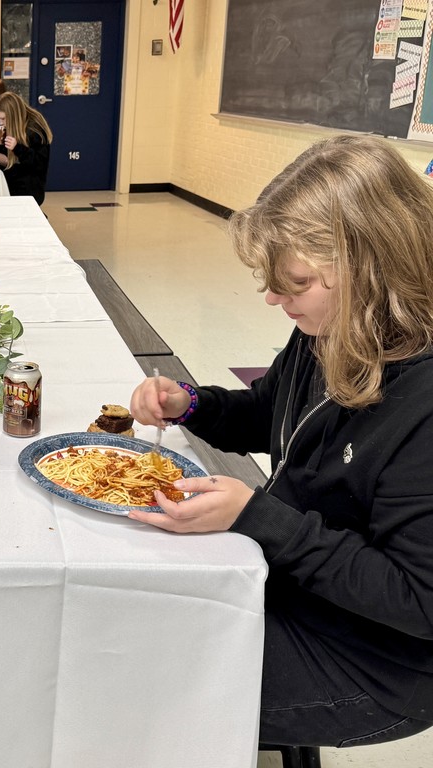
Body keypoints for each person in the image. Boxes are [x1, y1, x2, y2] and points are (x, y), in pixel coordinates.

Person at [128, 135, 433, 748]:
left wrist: (260, 519)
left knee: (138, 681)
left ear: (369, 269)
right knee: (127, 611)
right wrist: (192, 403)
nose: (272, 299)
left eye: (292, 282)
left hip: (379, 661)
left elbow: (416, 600)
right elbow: (276, 411)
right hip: (299, 576)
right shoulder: (337, 322)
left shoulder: (421, 400)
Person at [0, 91, 53, 205]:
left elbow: (38, 164)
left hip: (29, 188)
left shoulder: (35, 131)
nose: (1, 123)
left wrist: (18, 148)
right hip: (16, 181)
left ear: (13, 115)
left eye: (3, 119)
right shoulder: (13, 126)